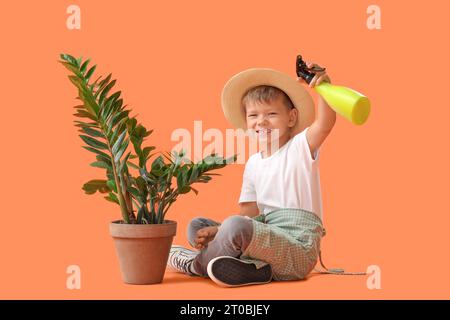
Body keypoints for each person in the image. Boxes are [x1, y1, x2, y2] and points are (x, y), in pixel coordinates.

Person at [167, 62, 336, 287]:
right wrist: (220, 230)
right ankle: (256, 270)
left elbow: (325, 123)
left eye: (272, 113)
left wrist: (324, 87)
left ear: (291, 118)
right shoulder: (254, 164)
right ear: (247, 121)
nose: (261, 121)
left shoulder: (300, 147)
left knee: (234, 227)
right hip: (265, 238)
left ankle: (195, 264)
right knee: (197, 225)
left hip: (297, 249)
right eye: (253, 115)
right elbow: (248, 215)